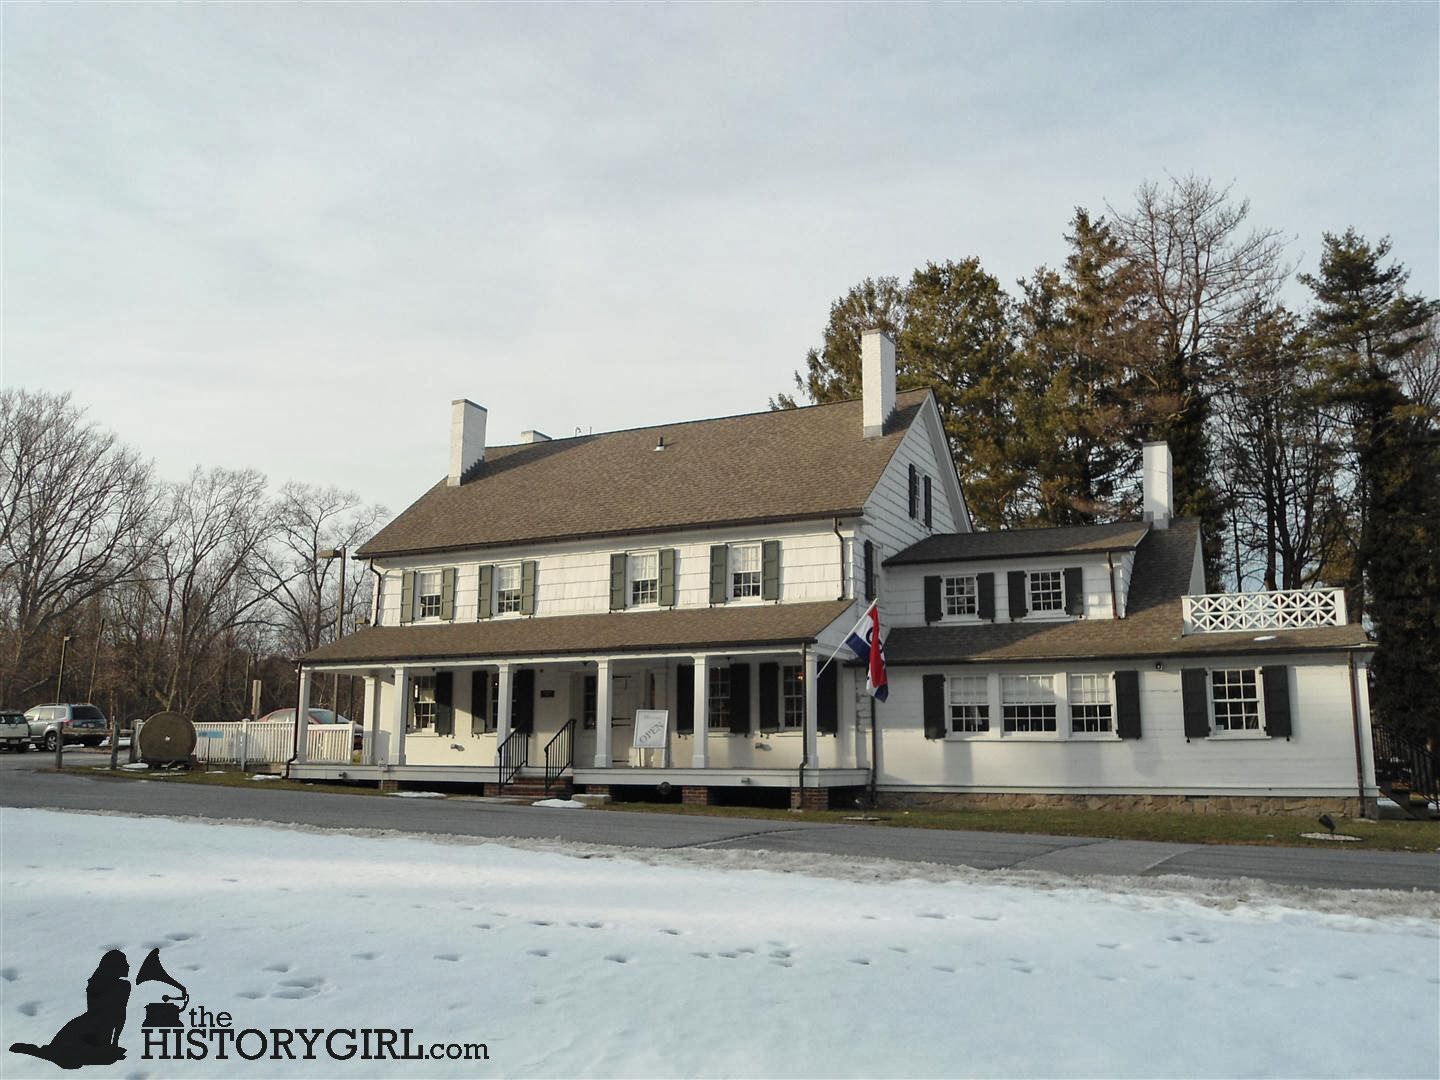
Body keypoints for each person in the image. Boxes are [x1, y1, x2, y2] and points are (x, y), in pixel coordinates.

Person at [9, 949, 131, 1069]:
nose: (128, 965)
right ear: (114, 967)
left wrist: (113, 1045)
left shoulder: (123, 986)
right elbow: (102, 1015)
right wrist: (108, 1046)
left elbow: (120, 1016)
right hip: (85, 1031)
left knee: (107, 1058)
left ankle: (56, 1052)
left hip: (94, 1030)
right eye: (124, 962)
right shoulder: (104, 986)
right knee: (99, 1058)